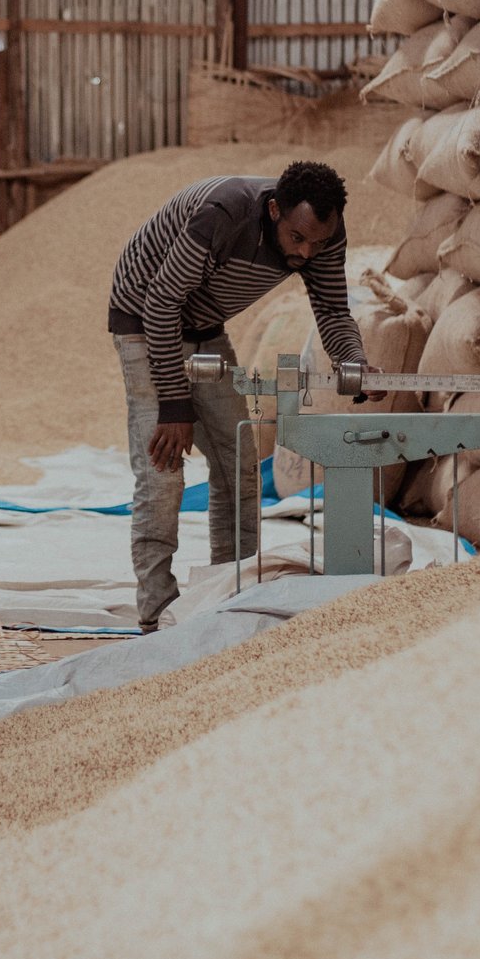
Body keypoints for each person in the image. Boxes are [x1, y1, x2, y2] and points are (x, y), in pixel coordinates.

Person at [107, 160, 364, 631]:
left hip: (204, 325)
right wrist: (175, 404)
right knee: (163, 470)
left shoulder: (324, 231)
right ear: (272, 211)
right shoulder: (222, 214)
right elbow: (161, 302)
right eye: (297, 239)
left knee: (239, 460)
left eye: (318, 242)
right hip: (143, 317)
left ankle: (229, 591)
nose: (307, 253)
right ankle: (156, 611)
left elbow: (331, 310)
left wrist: (353, 361)